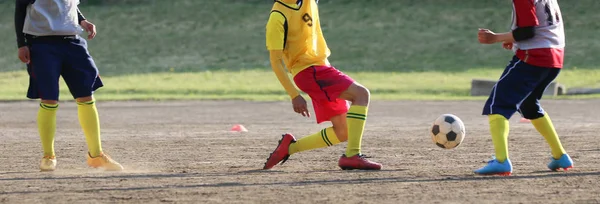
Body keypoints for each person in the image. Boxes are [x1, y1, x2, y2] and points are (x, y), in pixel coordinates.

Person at [262, 0, 381, 170]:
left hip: (320, 69)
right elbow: (275, 61)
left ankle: (290, 147)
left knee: (343, 132)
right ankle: (352, 155)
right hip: (310, 72)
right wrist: (294, 95)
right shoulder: (278, 16)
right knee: (361, 94)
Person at [14, 0, 123, 171]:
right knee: (49, 99)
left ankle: (96, 155)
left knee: (86, 95)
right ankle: (48, 155)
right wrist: (22, 44)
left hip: (73, 42)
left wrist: (82, 20)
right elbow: (20, 8)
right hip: (41, 44)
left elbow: (67, 5)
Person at [474, 0, 572, 175]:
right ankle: (560, 155)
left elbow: (527, 31)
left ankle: (501, 161)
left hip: (533, 56)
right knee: (528, 104)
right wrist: (514, 39)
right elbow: (541, 26)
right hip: (555, 58)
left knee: (498, 104)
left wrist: (496, 38)